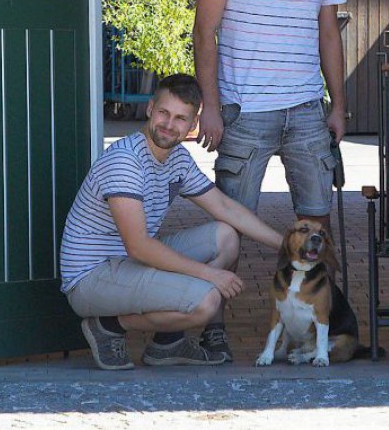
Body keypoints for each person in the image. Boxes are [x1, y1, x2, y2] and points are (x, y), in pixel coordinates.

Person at [60, 74, 284, 370]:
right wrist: (209, 276)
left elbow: (225, 207)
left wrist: (287, 245)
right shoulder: (125, 161)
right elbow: (139, 247)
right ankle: (109, 326)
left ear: (192, 125)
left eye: (180, 118)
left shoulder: (177, 158)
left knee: (226, 236)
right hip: (92, 278)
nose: (169, 124)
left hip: (128, 264)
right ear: (151, 108)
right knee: (207, 302)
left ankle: (167, 342)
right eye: (164, 113)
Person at [193, 0, 347, 228]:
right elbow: (203, 33)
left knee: (317, 224)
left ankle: (318, 287)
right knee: (231, 226)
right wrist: (210, 107)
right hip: (245, 111)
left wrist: (339, 105)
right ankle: (224, 286)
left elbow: (329, 35)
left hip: (307, 110)